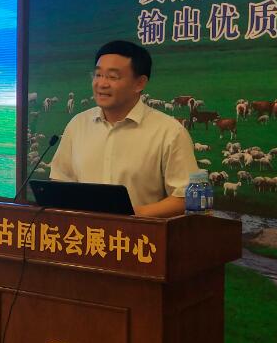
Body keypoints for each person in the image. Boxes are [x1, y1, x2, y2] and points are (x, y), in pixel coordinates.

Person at [48, 40, 198, 217]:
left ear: (139, 83)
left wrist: (131, 216)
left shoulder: (169, 132)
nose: (101, 84)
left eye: (112, 77)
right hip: (84, 232)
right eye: (98, 75)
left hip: (139, 232)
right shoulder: (78, 124)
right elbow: (60, 182)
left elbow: (186, 198)